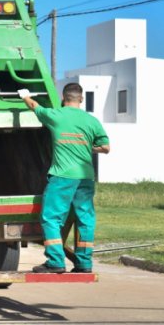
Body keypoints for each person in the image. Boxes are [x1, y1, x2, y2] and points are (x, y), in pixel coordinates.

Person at [18, 83, 110, 274]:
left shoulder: (56, 115)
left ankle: (56, 262)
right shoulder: (91, 121)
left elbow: (35, 106)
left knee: (51, 218)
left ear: (63, 97)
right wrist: (85, 147)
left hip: (62, 177)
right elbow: (105, 148)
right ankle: (84, 264)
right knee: (85, 219)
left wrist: (25, 95)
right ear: (81, 99)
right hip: (85, 178)